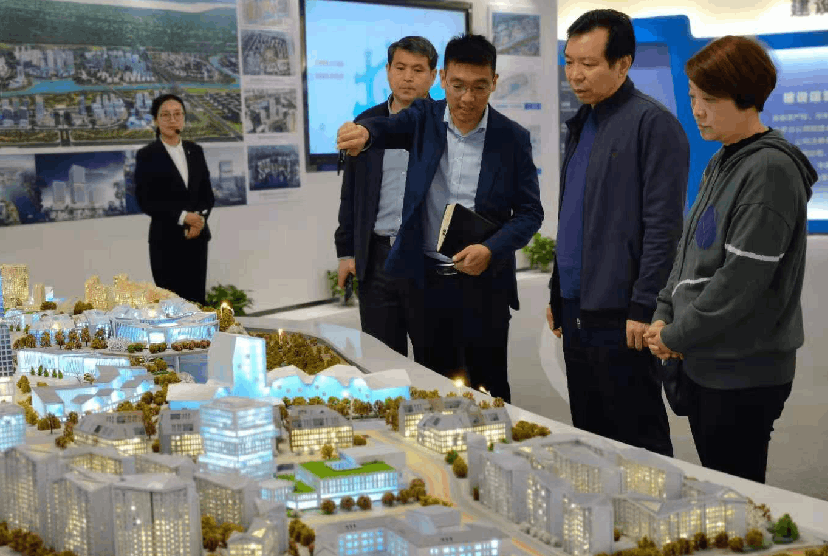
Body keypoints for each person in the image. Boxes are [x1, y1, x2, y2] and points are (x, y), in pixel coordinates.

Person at [337, 34, 543, 403]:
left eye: (479, 87)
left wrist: (490, 249)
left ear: (494, 82)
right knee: (436, 387)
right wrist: (366, 133)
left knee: (488, 388)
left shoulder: (511, 138)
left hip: (484, 285)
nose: (467, 98)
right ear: (444, 79)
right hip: (427, 282)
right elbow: (389, 127)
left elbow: (530, 212)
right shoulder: (424, 119)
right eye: (458, 86)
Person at [646, 36, 816, 483]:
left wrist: (675, 335)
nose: (697, 110)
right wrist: (664, 311)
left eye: (709, 99)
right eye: (692, 97)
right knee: (720, 483)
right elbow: (689, 252)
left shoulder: (769, 170)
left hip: (742, 371)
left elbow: (739, 282)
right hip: (706, 358)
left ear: (745, 97)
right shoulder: (723, 160)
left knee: (736, 491)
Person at [546, 9, 689, 457]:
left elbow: (663, 228)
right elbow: (573, 217)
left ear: (623, 64)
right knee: (591, 431)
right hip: (577, 307)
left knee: (637, 435)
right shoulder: (582, 122)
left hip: (623, 312)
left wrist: (645, 305)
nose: (575, 74)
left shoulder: (653, 124)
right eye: (570, 62)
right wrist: (557, 293)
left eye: (588, 64)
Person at [334, 36, 438, 358]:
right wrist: (346, 252)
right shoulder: (366, 124)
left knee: (434, 360)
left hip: (426, 259)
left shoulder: (443, 122)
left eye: (418, 70)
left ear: (434, 76)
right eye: (400, 68)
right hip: (377, 257)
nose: (407, 77)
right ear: (388, 70)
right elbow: (351, 194)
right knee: (382, 360)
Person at [135, 94, 215, 305]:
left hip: (197, 239)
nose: (172, 120)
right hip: (166, 241)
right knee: (171, 304)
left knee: (196, 302)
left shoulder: (195, 151)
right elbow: (146, 200)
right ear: (156, 120)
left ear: (184, 118)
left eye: (178, 114)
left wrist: (199, 220)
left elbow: (207, 195)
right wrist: (183, 217)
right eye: (166, 115)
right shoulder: (147, 155)